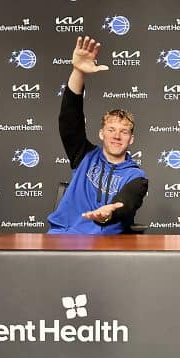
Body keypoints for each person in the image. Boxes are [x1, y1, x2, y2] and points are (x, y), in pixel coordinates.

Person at [46, 36, 148, 234]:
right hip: (63, 239)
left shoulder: (136, 176)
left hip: (104, 249)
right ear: (101, 133)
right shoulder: (84, 155)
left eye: (124, 131)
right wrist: (79, 72)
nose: (117, 136)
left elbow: (128, 201)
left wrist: (109, 213)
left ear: (131, 139)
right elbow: (69, 120)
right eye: (111, 130)